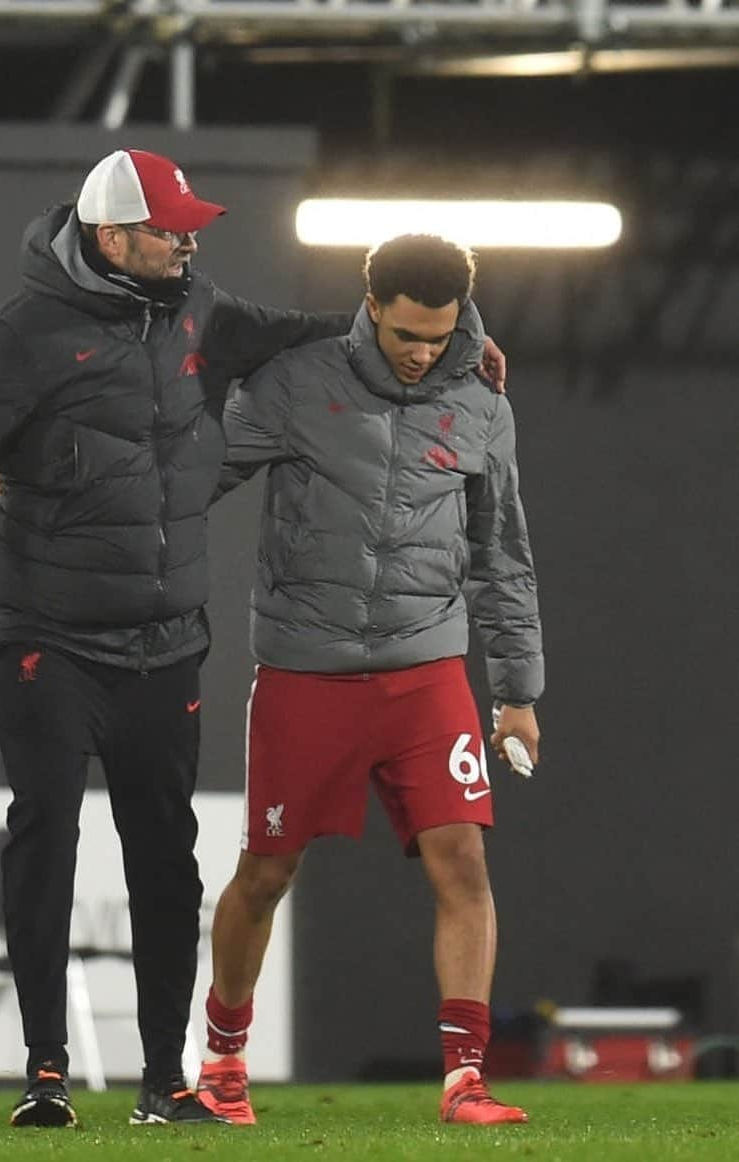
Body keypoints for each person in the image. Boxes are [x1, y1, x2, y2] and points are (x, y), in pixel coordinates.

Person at [0, 148, 507, 1129]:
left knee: (166, 856)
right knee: (47, 835)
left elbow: (329, 335)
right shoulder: (19, 335)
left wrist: (464, 340)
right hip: (44, 627)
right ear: (109, 235)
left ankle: (163, 1083)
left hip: (166, 638)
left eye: (189, 228)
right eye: (168, 229)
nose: (187, 241)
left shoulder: (199, 309)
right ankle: (44, 1070)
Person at [196, 233, 543, 1127]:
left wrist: (516, 692)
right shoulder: (297, 381)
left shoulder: (482, 400)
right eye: (405, 336)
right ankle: (223, 1060)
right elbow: (187, 480)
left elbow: (503, 556)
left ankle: (466, 1077)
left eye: (439, 335)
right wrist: (61, 494)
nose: (424, 352)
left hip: (428, 666)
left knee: (462, 858)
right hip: (305, 670)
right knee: (266, 872)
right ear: (371, 307)